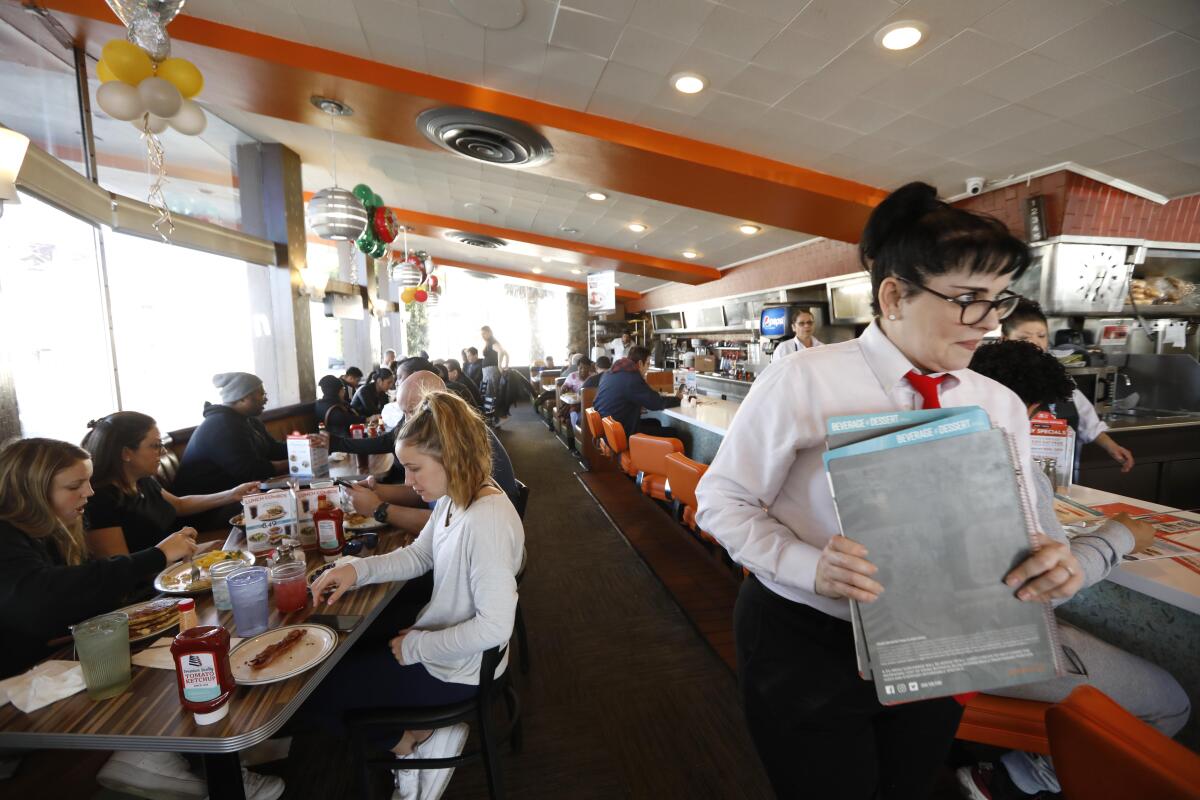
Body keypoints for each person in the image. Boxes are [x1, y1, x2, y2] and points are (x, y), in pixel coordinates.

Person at [695, 182, 1086, 800]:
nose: (989, 322)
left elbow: (1026, 517)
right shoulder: (804, 380)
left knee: (909, 784)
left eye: (997, 300)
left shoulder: (998, 402)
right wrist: (809, 566)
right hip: (808, 638)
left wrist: (1050, 559)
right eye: (967, 300)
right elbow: (722, 502)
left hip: (941, 639)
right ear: (894, 293)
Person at [964, 340, 1189, 799]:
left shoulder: (937, 444)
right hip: (993, 647)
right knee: (1170, 703)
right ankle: (1017, 781)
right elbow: (1049, 587)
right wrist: (1120, 535)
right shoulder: (1010, 462)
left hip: (941, 640)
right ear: (1026, 408)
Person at [0, 439, 279, 799]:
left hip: (41, 663)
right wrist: (155, 557)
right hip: (17, 687)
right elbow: (41, 600)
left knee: (187, 643)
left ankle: (213, 749)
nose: (87, 492)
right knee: (175, 661)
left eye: (87, 481)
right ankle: (152, 758)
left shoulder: (46, 529)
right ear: (29, 490)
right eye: (74, 486)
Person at [308, 390, 524, 798]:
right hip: (449, 652)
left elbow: (495, 627)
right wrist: (356, 570)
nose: (407, 482)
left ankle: (410, 743)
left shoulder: (486, 521)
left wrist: (418, 647)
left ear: (451, 456)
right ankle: (417, 734)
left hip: (460, 670)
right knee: (338, 650)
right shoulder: (456, 497)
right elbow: (421, 553)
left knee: (314, 692)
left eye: (414, 468)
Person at [336, 372, 519, 533]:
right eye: (404, 413)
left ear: (439, 405)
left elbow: (446, 526)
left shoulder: (463, 443)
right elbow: (429, 496)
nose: (407, 422)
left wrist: (379, 509)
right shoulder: (444, 434)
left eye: (414, 412)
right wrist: (377, 490)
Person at [81, 412, 259, 557]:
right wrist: (192, 555)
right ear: (126, 453)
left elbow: (179, 504)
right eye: (156, 445)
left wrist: (232, 494)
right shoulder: (99, 501)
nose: (163, 451)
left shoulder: (142, 480)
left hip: (174, 567)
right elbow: (122, 571)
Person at [1002, 298, 1134, 474]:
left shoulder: (1060, 379)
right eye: (1024, 337)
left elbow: (1088, 421)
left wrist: (1112, 447)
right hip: (1010, 474)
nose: (1035, 343)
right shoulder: (994, 380)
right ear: (1004, 339)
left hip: (1057, 475)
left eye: (1041, 336)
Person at [173, 373, 288, 509]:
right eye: (261, 393)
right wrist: (295, 462)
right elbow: (251, 471)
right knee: (284, 503)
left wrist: (306, 446)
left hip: (234, 495)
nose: (266, 399)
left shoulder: (248, 420)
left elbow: (273, 449)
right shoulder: (222, 426)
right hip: (207, 508)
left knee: (296, 494)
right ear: (242, 397)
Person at [592, 345, 681, 439]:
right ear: (640, 363)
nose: (647, 369)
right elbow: (656, 403)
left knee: (655, 423)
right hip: (621, 433)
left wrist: (635, 406)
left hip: (608, 429)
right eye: (647, 364)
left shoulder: (611, 372)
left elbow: (622, 397)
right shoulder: (632, 377)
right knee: (673, 433)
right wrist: (678, 399)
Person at [479, 326, 510, 419]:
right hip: (487, 372)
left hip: (491, 371)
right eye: (482, 334)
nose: (483, 335)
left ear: (490, 332)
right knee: (488, 393)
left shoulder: (493, 342)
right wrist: (505, 364)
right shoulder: (490, 342)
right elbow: (506, 353)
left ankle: (493, 417)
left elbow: (502, 351)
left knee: (490, 394)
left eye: (484, 333)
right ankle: (492, 417)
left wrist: (500, 365)